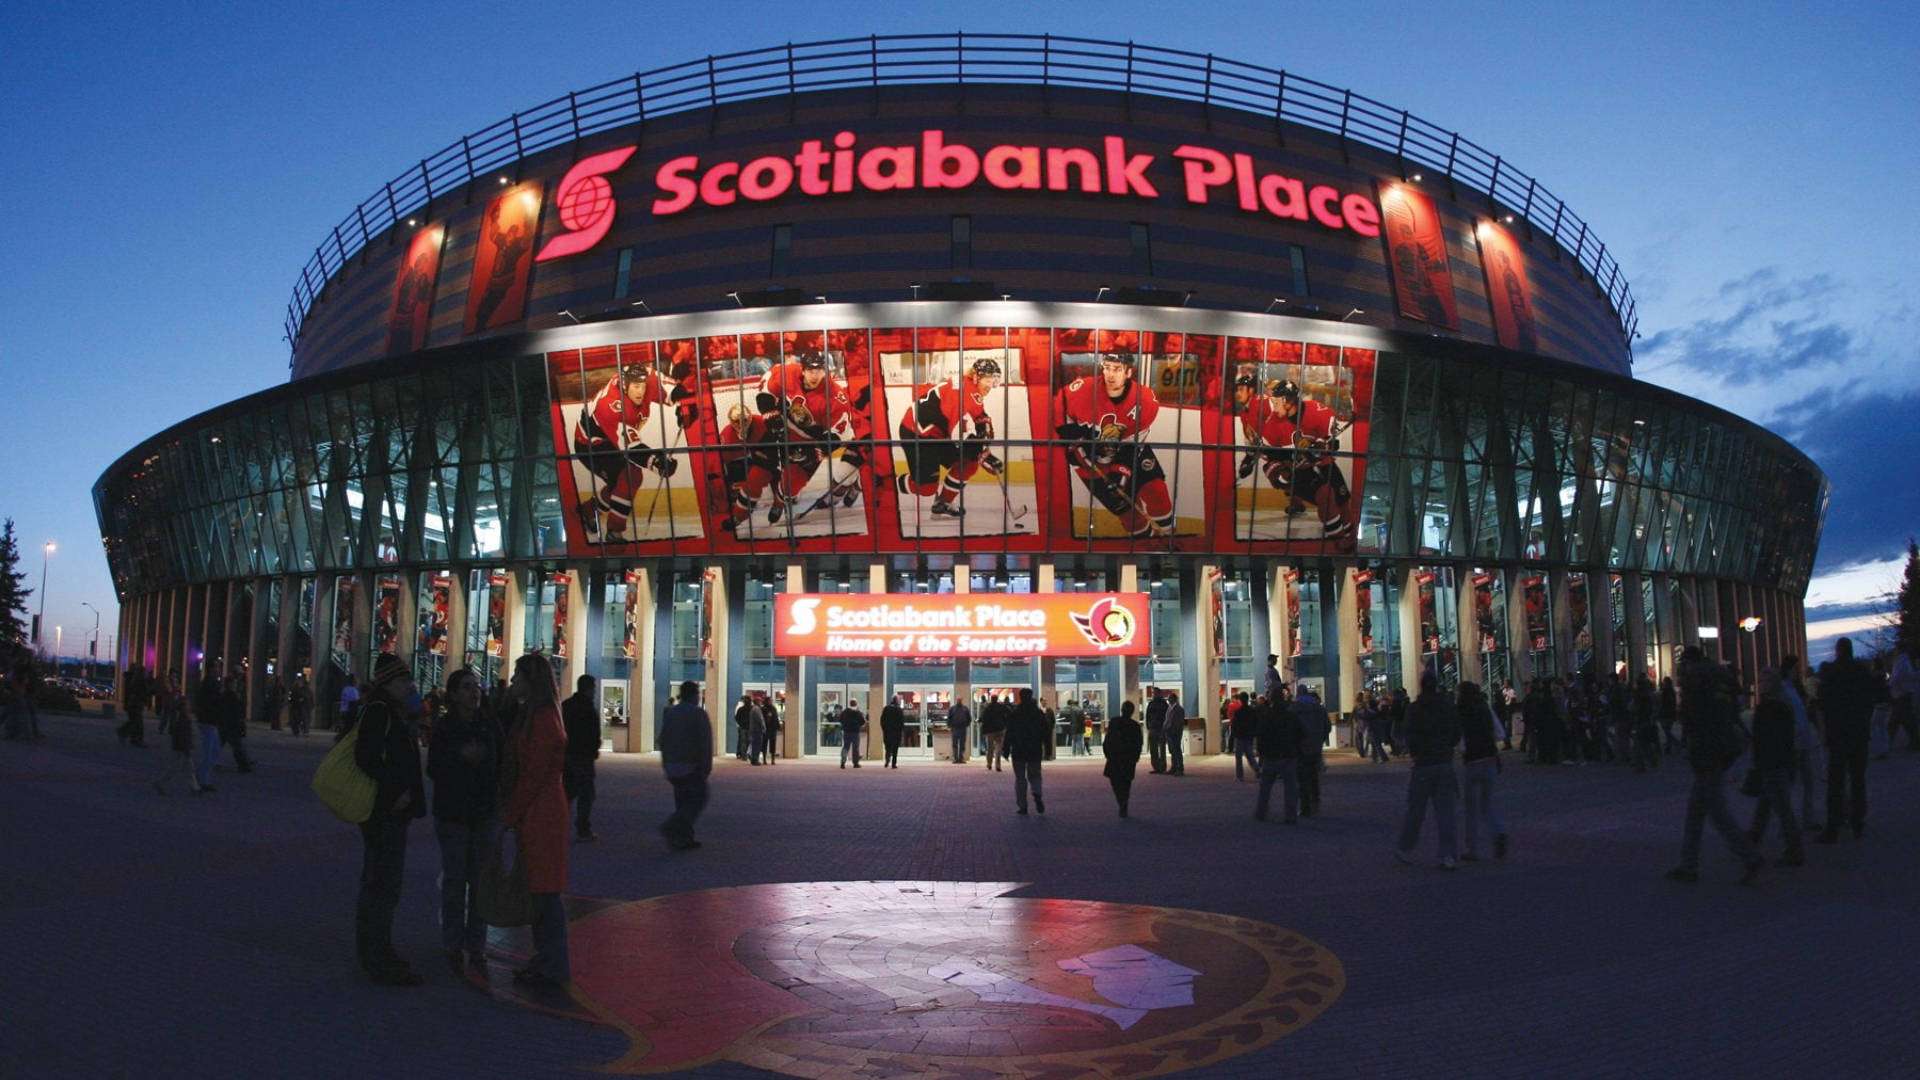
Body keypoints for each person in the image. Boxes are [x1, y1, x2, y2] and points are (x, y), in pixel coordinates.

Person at [351, 653, 428, 986]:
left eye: (409, 679)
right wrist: (394, 790)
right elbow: (364, 757)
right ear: (385, 684)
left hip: (393, 812)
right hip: (384, 812)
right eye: (401, 681)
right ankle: (377, 956)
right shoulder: (379, 711)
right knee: (381, 885)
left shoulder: (395, 712)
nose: (409, 685)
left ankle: (380, 950)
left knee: (384, 884)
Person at [1665, 646, 1766, 884]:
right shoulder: (1720, 675)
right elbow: (1734, 707)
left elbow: (1691, 716)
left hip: (1707, 751)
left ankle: (1749, 855)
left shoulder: (1696, 678)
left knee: (1716, 810)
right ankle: (1688, 864)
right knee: (1696, 809)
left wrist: (1689, 742)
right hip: (1722, 748)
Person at [502, 654, 571, 988]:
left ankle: (553, 964)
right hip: (539, 811)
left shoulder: (542, 720)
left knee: (545, 892)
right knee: (541, 891)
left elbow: (534, 775)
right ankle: (547, 959)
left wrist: (509, 814)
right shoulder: (537, 715)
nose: (513, 682)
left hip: (541, 813)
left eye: (518, 676)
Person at [1053, 353, 1175, 537]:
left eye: (1117, 369)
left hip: (1131, 452)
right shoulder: (1082, 389)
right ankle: (1145, 544)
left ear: (1128, 372)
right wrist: (1071, 440)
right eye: (1107, 368)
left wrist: (1121, 471)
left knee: (1156, 491)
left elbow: (1133, 445)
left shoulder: (1145, 400)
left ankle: (1169, 535)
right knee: (1127, 514)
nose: (1110, 374)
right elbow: (1059, 412)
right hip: (1090, 464)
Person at [426, 667, 502, 967]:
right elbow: (434, 768)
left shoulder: (490, 724)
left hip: (484, 812)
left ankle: (477, 943)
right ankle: (453, 942)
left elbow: (501, 762)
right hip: (454, 813)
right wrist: (462, 758)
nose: (475, 692)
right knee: (456, 879)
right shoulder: (445, 728)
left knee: (480, 880)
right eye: (468, 687)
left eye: (477, 686)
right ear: (455, 694)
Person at [571, 360, 692, 542]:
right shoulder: (610, 406)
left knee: (619, 485)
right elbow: (632, 448)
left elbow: (677, 391)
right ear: (625, 385)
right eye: (635, 387)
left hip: (616, 439)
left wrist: (687, 406)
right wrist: (656, 462)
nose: (641, 392)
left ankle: (587, 511)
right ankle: (614, 532)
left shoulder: (647, 376)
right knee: (630, 476)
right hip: (592, 446)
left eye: (643, 386)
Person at [1232, 375, 1355, 540]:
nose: (1273, 408)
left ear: (1288, 401)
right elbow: (1270, 454)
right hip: (1301, 469)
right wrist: (1258, 462)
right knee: (1323, 496)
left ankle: (1349, 536)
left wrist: (1321, 446)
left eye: (1275, 402)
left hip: (1324, 464)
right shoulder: (1272, 423)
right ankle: (1338, 539)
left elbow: (1333, 443)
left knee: (1342, 501)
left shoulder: (1316, 411)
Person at [895, 356, 1006, 519]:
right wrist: (983, 453)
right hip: (918, 433)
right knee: (926, 489)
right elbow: (959, 435)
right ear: (976, 376)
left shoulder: (971, 387)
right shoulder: (959, 392)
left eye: (994, 381)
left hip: (938, 434)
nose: (990, 386)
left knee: (968, 464)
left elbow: (977, 413)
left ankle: (944, 503)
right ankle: (883, 482)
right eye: (988, 380)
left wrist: (982, 425)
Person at [1394, 672, 1462, 870]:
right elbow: (1456, 732)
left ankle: (1405, 847)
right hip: (1444, 761)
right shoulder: (1447, 707)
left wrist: (1417, 752)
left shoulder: (1415, 709)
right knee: (1446, 812)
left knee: (1416, 810)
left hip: (1424, 763)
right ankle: (1447, 854)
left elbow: (1409, 734)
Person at [1816, 636, 1879, 843]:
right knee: (1858, 779)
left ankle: (1833, 826)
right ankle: (1857, 821)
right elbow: (1871, 700)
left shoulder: (1831, 673)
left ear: (1837, 651)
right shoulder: (1861, 672)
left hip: (1838, 734)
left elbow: (1823, 704)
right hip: (1858, 733)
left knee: (1836, 782)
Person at [1745, 668, 1804, 868]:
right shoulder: (1780, 705)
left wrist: (1763, 761)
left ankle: (1794, 850)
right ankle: (1752, 838)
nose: (1760, 684)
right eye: (1760, 680)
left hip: (1774, 763)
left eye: (1764, 681)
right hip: (1776, 762)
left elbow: (1771, 738)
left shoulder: (1774, 707)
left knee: (1781, 807)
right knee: (1767, 803)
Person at [1457, 682, 1508, 861]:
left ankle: (1472, 849)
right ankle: (1499, 830)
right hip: (1490, 760)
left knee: (1470, 808)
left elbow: (1459, 740)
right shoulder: (1486, 709)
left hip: (1473, 762)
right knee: (1486, 806)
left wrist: (1464, 749)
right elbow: (1500, 734)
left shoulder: (1461, 712)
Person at [659, 680, 712, 851]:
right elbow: (705, 742)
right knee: (698, 798)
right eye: (697, 694)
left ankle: (684, 838)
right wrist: (706, 766)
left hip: (673, 765)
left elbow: (663, 739)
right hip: (690, 765)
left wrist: (666, 763)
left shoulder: (671, 713)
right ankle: (672, 826)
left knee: (682, 801)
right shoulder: (698, 714)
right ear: (693, 695)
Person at [561, 674, 601, 841]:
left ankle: (558, 825)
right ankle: (583, 828)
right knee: (586, 794)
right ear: (589, 688)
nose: (595, 692)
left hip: (568, 755)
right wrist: (594, 749)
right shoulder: (588, 709)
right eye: (594, 688)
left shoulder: (566, 705)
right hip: (583, 756)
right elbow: (593, 733)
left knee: (568, 792)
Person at [1253, 694, 1302, 823]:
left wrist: (1262, 752)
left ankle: (1261, 812)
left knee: (1265, 787)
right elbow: (1301, 733)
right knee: (1290, 788)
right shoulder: (1291, 716)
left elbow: (1261, 735)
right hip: (1288, 755)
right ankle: (1291, 815)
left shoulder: (1267, 716)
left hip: (1271, 755)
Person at [151, 671, 200, 796]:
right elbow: (183, 735)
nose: (189, 706)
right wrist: (186, 747)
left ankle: (194, 788)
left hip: (182, 746)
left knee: (189, 769)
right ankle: (161, 783)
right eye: (187, 705)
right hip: (182, 747)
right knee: (178, 768)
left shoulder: (182, 718)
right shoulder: (183, 719)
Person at [1007, 688, 1050, 815]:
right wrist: (1048, 749)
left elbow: (1010, 732)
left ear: (1020, 697)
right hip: (1034, 749)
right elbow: (1046, 732)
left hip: (1019, 750)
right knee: (1035, 775)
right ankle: (1037, 794)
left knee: (1020, 778)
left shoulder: (1016, 713)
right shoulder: (1038, 713)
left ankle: (1023, 806)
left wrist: (1006, 748)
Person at [1291, 686, 1329, 817]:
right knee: (1313, 776)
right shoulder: (1319, 708)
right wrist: (1320, 739)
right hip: (1315, 746)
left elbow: (1291, 728)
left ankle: (1305, 806)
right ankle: (1315, 801)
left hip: (1301, 747)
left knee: (1301, 777)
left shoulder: (1295, 708)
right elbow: (1327, 727)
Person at [1102, 701, 1143, 817]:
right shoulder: (1135, 726)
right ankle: (1123, 801)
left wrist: (1107, 752)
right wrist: (1136, 757)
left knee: (1115, 781)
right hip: (1127, 758)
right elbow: (1139, 743)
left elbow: (1108, 738)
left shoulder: (1115, 722)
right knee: (1126, 782)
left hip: (1116, 757)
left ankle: (1122, 801)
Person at [1229, 692, 1260, 780]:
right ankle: (1257, 769)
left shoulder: (1238, 712)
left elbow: (1235, 724)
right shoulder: (1252, 711)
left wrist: (1235, 733)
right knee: (1250, 755)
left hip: (1240, 736)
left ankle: (1240, 775)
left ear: (1241, 700)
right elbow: (1256, 722)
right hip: (1249, 735)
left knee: (1238, 756)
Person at [118, 663, 150, 747]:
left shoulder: (133, 680)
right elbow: (142, 692)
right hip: (136, 704)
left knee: (135, 722)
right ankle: (127, 734)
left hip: (134, 704)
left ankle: (133, 738)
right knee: (136, 722)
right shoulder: (139, 681)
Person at [979, 695, 1009, 772]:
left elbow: (983, 718)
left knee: (990, 748)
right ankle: (998, 765)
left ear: (991, 700)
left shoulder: (988, 708)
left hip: (990, 731)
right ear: (997, 699)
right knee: (998, 748)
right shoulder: (1001, 707)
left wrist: (984, 730)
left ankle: (989, 764)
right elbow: (1009, 714)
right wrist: (1005, 724)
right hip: (1000, 729)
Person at [1144, 690, 1169, 774]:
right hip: (1153, 728)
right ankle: (1156, 767)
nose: (1153, 695)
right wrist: (1148, 726)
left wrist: (1165, 727)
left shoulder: (1164, 704)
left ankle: (1162, 767)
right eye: (1153, 693)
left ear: (1159, 694)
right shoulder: (1151, 704)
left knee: (1162, 748)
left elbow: (1167, 716)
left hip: (1161, 729)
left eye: (1155, 693)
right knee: (1153, 749)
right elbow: (1147, 716)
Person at [1163, 692, 1186, 775]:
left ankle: (1180, 768)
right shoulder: (1169, 708)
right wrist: (1165, 728)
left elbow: (1179, 722)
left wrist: (1173, 730)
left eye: (1169, 698)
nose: (1168, 700)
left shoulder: (1179, 709)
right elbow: (1167, 719)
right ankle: (1174, 767)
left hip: (1175, 733)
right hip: (1169, 732)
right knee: (1172, 750)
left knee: (1177, 750)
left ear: (1174, 699)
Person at [839, 700, 867, 768]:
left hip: (847, 732)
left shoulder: (845, 712)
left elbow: (840, 719)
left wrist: (845, 725)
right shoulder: (858, 712)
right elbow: (862, 722)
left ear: (850, 704)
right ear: (856, 704)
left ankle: (843, 762)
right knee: (855, 748)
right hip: (855, 732)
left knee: (845, 747)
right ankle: (855, 763)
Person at [880, 696, 906, 768]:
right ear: (897, 701)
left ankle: (887, 760)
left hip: (887, 732)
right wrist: (901, 730)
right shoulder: (899, 710)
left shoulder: (886, 709)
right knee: (895, 748)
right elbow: (901, 721)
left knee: (887, 747)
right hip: (896, 732)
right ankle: (893, 763)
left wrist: (884, 729)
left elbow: (882, 720)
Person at [947, 696, 973, 764]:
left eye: (960, 700)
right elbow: (949, 718)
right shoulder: (952, 709)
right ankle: (955, 758)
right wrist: (949, 726)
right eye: (958, 700)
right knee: (954, 744)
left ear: (962, 700)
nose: (959, 701)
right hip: (954, 729)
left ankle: (961, 758)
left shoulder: (965, 709)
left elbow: (969, 718)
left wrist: (966, 724)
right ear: (956, 700)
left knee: (962, 744)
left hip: (963, 729)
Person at [288, 672, 312, 736]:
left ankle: (302, 730)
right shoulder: (296, 688)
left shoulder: (304, 689)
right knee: (298, 718)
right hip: (298, 705)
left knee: (303, 718)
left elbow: (308, 697)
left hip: (302, 705)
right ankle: (299, 730)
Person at [733, 695, 755, 761]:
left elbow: (737, 718)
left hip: (743, 727)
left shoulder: (740, 709)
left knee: (743, 742)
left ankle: (744, 756)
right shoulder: (752, 709)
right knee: (750, 742)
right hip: (749, 727)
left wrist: (740, 724)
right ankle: (748, 754)